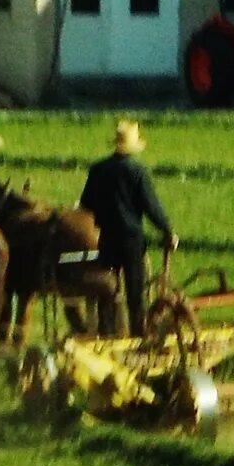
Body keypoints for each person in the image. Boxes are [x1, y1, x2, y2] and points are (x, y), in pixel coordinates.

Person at [79, 120, 177, 338]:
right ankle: (137, 335)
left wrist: (103, 215)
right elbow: (151, 206)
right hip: (132, 239)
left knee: (107, 289)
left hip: (106, 237)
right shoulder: (138, 172)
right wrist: (167, 230)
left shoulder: (98, 170)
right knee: (135, 293)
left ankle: (106, 335)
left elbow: (86, 204)